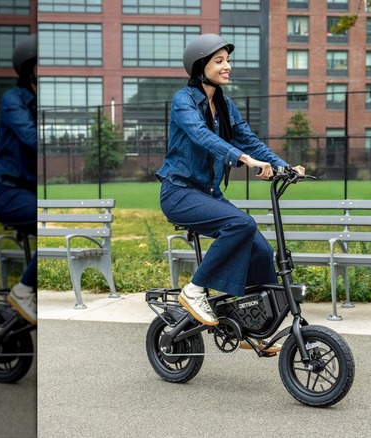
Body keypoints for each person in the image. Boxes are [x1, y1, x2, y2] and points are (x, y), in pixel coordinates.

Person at [155, 34, 304, 353]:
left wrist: (283, 165)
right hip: (179, 192)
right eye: (219, 61)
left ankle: (253, 323)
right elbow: (200, 135)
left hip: (207, 194)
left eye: (227, 60)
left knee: (261, 250)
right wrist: (242, 159)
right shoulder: (184, 100)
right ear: (200, 67)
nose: (227, 66)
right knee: (241, 224)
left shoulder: (224, 104)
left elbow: (248, 139)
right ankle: (194, 291)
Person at [0, 34, 38, 324]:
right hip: (7, 192)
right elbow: (30, 137)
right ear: (30, 67)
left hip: (28, 193)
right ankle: (22, 291)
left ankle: (30, 294)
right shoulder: (13, 99)